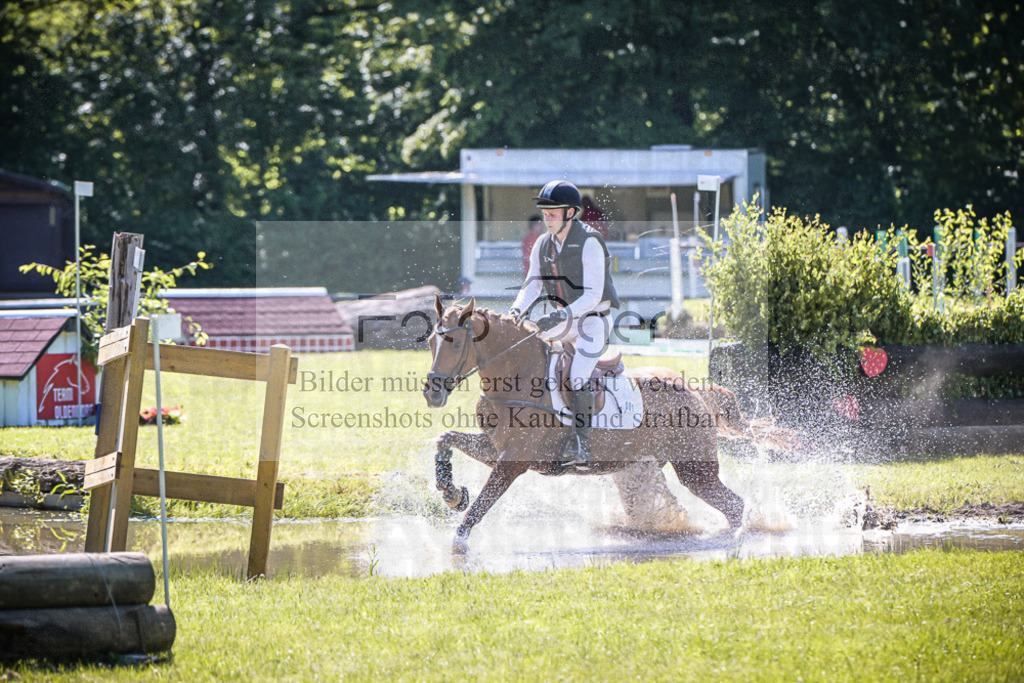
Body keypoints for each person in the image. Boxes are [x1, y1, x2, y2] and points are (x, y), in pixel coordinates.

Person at [509, 180, 620, 468]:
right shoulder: (543, 243)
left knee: (576, 378)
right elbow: (532, 285)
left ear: (570, 213)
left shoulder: (590, 241)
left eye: (552, 212)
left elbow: (594, 294)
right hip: (565, 320)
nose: (546, 217)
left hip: (593, 321)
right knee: (535, 363)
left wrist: (559, 315)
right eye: (544, 212)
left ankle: (580, 443)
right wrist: (516, 310)